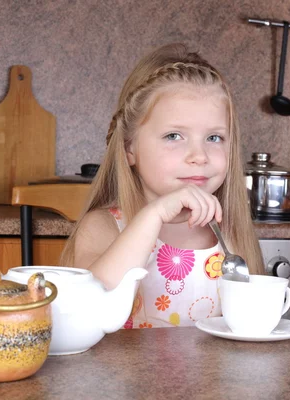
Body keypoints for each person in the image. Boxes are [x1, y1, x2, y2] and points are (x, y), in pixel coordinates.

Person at [60, 43, 264, 329]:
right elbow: (88, 308)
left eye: (214, 138)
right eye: (173, 136)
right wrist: (153, 216)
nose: (199, 156)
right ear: (130, 148)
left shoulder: (229, 234)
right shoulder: (104, 227)